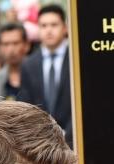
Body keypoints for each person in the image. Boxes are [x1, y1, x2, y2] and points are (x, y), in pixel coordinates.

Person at [18, 4, 72, 145]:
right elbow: (26, 105)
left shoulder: (75, 59)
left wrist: (69, 135)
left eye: (54, 25)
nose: (49, 30)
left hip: (75, 138)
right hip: (42, 145)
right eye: (43, 25)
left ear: (65, 28)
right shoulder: (28, 64)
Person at [0, 21, 28, 100]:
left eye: (15, 43)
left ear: (26, 45)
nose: (11, 49)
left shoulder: (39, 75)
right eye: (6, 44)